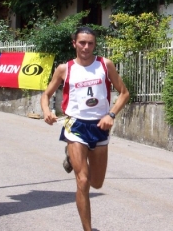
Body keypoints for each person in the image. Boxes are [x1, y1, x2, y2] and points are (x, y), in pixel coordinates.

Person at [41, 26, 129, 231]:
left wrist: (111, 114)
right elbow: (46, 95)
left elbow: (124, 93)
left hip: (100, 126)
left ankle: (70, 156)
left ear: (94, 44)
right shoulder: (65, 69)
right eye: (82, 42)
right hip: (76, 125)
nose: (86, 47)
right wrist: (46, 111)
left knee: (96, 183)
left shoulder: (105, 65)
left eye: (90, 43)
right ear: (74, 44)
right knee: (82, 181)